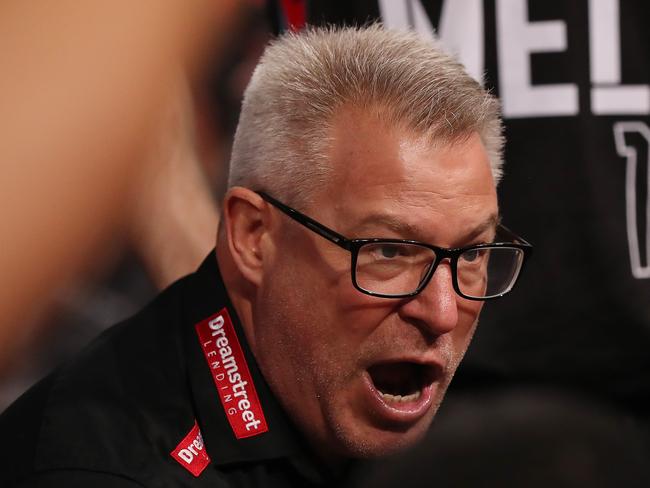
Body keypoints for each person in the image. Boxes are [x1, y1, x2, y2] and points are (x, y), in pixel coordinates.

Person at [0, 25, 531, 487]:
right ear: (253, 236)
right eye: (388, 251)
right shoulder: (102, 474)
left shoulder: (478, 451)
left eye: (471, 254)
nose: (441, 312)